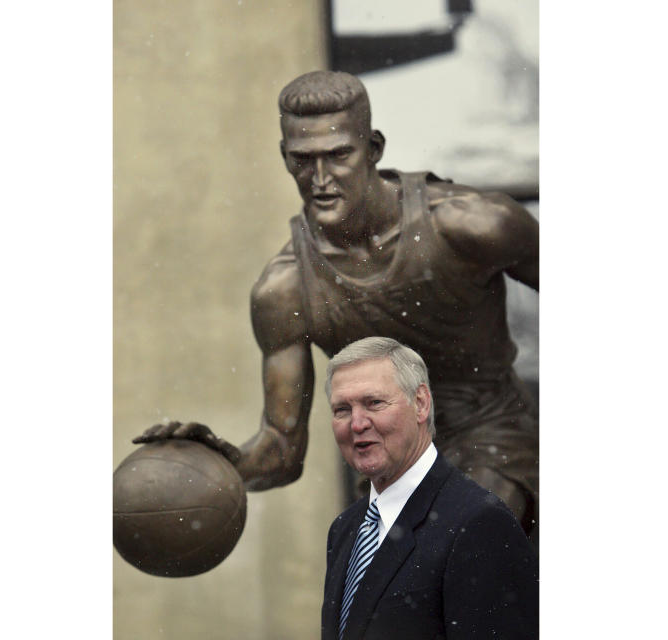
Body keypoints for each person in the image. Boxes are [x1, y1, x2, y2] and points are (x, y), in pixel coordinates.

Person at [135, 70, 539, 536]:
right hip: (390, 474)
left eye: (339, 155)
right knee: (368, 597)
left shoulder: (474, 225)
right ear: (285, 158)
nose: (321, 178)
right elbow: (283, 453)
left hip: (496, 442)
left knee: (449, 549)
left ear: (374, 149)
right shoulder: (284, 290)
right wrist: (218, 464)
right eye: (304, 161)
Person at [321, 337, 537, 640]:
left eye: (374, 403)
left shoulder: (479, 523)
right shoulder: (344, 529)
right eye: (342, 409)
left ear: (421, 403)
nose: (356, 423)